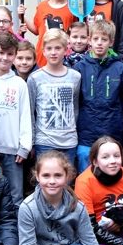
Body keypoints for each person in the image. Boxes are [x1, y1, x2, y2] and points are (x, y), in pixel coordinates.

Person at [73, 20, 123, 172]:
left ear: (111, 42)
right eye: (96, 39)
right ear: (89, 41)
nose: (99, 43)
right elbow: (75, 103)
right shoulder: (79, 68)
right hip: (86, 135)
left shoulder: (121, 69)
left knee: (109, 178)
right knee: (85, 178)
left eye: (104, 39)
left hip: (112, 133)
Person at [0, 32, 32, 203]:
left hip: (13, 151)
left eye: (10, 54)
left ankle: (15, 230)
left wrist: (25, 146)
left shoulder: (19, 83)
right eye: (1, 53)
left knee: (14, 195)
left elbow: (26, 115)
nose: (5, 58)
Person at [27, 28, 81, 163]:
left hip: (69, 142)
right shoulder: (35, 78)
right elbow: (30, 113)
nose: (53, 52)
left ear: (66, 50)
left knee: (67, 182)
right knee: (46, 182)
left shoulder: (75, 76)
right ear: (43, 51)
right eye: (49, 48)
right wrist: (32, 142)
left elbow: (75, 108)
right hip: (45, 141)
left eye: (58, 48)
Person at [21, 0, 76, 68]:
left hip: (63, 57)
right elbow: (36, 30)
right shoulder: (42, 6)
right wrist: (22, 17)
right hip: (42, 56)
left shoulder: (73, 7)